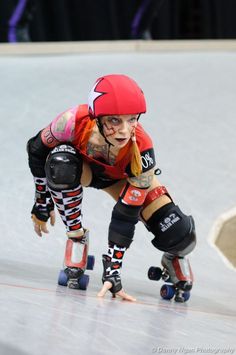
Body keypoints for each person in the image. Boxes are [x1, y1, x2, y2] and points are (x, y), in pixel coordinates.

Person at [27, 74, 196, 302]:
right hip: (86, 169)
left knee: (179, 233)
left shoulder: (143, 148)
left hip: (124, 179)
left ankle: (173, 257)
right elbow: (37, 150)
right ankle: (76, 238)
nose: (125, 131)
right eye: (115, 121)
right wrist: (42, 201)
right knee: (61, 164)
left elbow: (125, 217)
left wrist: (112, 270)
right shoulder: (72, 121)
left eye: (132, 120)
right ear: (97, 118)